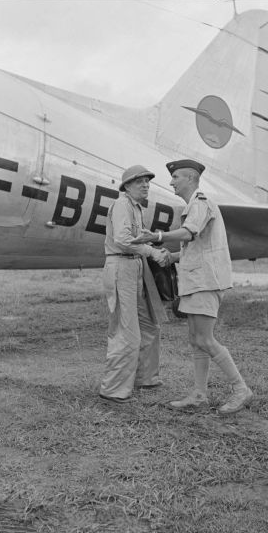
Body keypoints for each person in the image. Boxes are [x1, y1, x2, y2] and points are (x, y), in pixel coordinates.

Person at [131, 159, 253, 415]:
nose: (171, 182)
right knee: (196, 340)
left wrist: (157, 237)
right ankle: (199, 394)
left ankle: (240, 389)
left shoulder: (200, 202)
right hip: (197, 280)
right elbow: (195, 247)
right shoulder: (195, 205)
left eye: (175, 177)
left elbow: (189, 233)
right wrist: (170, 256)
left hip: (205, 281)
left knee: (205, 339)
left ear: (189, 178)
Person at [99, 165, 171, 404]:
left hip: (135, 265)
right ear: (126, 186)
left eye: (147, 181)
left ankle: (145, 377)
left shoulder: (136, 208)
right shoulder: (122, 205)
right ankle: (113, 389)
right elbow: (122, 239)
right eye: (139, 181)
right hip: (122, 266)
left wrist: (151, 243)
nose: (145, 185)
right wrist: (151, 251)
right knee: (126, 330)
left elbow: (133, 238)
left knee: (150, 324)